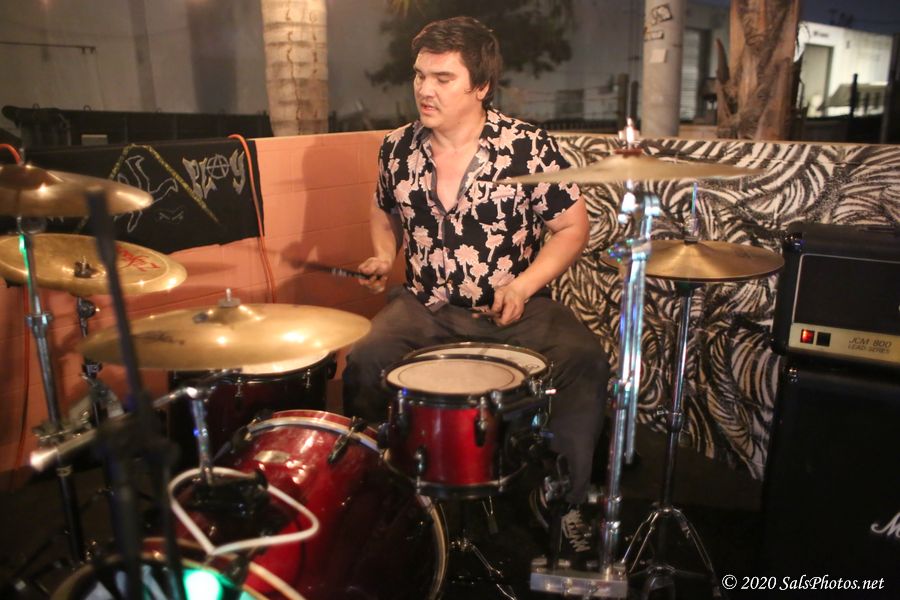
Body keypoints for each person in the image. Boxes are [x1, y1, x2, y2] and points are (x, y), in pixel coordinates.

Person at [342, 16, 609, 567]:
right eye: (420, 75)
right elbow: (383, 208)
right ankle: (373, 492)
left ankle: (562, 501)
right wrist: (383, 256)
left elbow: (571, 227)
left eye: (443, 78)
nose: (425, 89)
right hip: (425, 305)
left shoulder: (528, 147)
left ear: (480, 86)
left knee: (583, 359)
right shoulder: (396, 147)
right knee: (366, 358)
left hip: (514, 307)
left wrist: (524, 285)